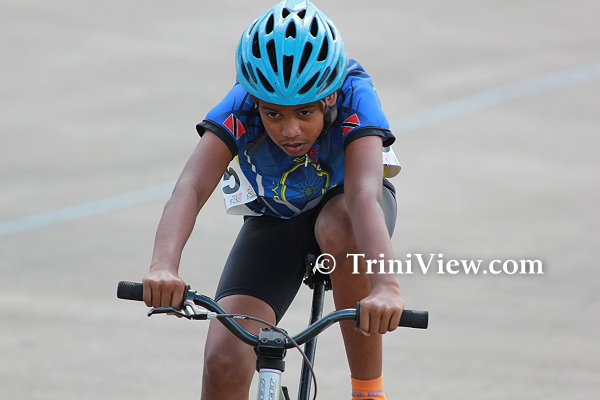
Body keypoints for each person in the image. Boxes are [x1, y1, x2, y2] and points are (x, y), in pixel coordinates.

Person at [142, 1, 405, 399]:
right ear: (255, 101)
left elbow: (364, 195)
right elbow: (191, 187)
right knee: (224, 359)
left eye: (304, 112)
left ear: (330, 98)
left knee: (339, 226)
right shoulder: (241, 106)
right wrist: (163, 265)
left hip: (349, 207)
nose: (290, 130)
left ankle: (368, 391)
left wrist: (385, 286)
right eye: (273, 115)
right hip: (277, 215)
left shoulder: (354, 94)